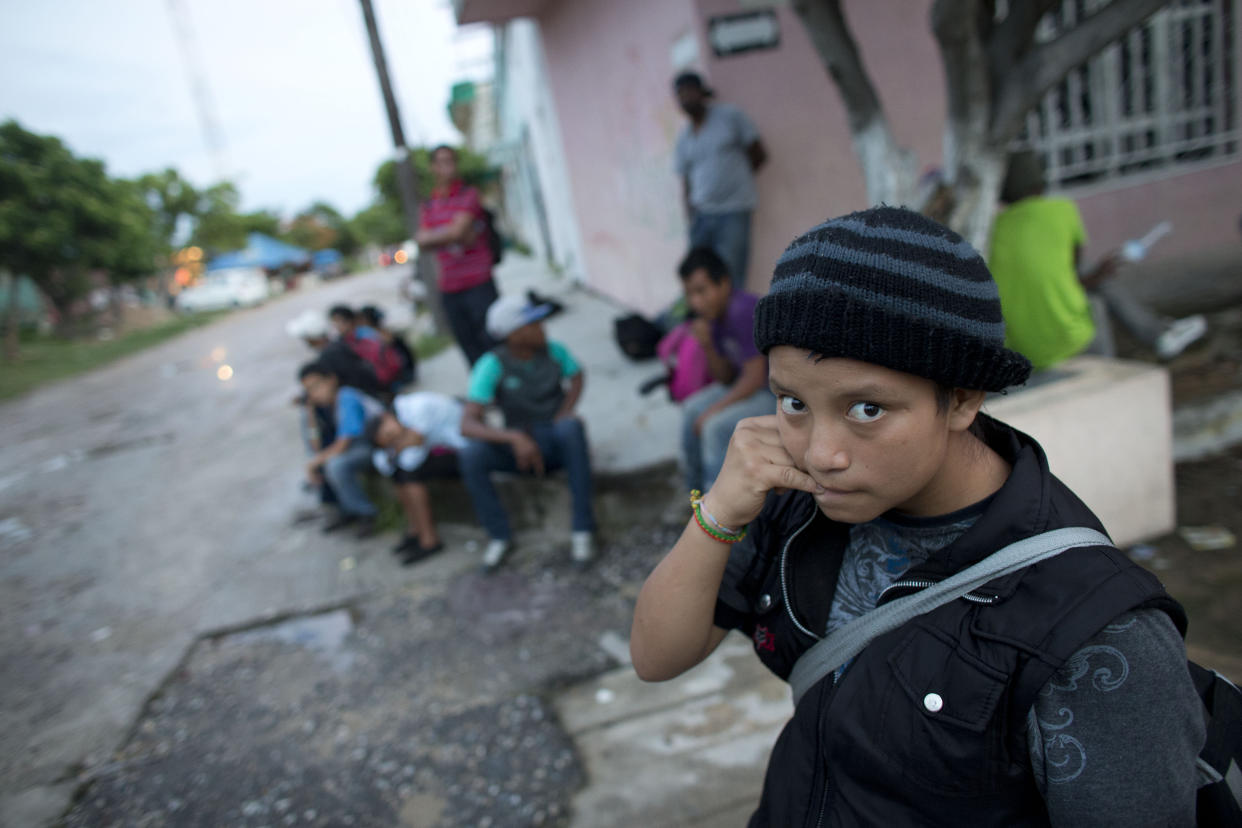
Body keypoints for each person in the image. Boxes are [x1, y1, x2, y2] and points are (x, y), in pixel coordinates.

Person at [630, 207, 1204, 826]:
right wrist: (718, 512)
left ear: (959, 398)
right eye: (793, 401)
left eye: (868, 409)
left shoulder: (1095, 633)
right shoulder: (791, 501)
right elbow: (657, 657)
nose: (822, 453)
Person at [990, 150, 1206, 371]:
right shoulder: (1062, 210)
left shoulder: (992, 231)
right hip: (1069, 337)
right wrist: (1100, 274)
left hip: (1022, 348)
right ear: (1040, 182)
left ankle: (1159, 334)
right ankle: (1157, 336)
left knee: (1089, 278)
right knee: (1096, 291)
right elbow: (1075, 275)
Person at [458, 295, 597, 571]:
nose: (542, 327)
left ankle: (583, 530)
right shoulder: (491, 364)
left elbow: (578, 375)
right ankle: (499, 535)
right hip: (520, 442)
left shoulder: (555, 351)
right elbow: (467, 424)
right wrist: (514, 437)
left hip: (555, 439)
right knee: (471, 455)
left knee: (572, 428)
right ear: (514, 334)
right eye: (533, 323)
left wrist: (565, 411)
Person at [676, 247, 772, 493]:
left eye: (701, 291)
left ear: (724, 283)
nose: (695, 301)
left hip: (774, 393)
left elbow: (755, 377)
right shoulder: (714, 317)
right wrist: (707, 345)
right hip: (748, 384)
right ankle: (694, 496)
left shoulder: (742, 310)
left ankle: (718, 511)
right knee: (690, 410)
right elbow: (726, 376)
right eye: (689, 294)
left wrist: (713, 410)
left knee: (714, 427)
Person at [673, 71, 767, 289]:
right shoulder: (684, 136)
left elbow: (759, 154)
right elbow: (686, 181)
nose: (686, 98)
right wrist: (690, 214)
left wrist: (734, 180)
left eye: (689, 91)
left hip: (733, 211)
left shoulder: (729, 117)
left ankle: (732, 322)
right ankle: (705, 323)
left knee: (730, 276)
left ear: (702, 92)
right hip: (702, 216)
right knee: (698, 275)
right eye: (680, 94)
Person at [416, 144, 499, 366]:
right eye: (442, 162)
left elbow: (457, 232)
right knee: (468, 345)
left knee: (493, 340)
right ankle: (484, 394)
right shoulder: (429, 204)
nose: (448, 167)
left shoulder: (469, 195)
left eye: (451, 161)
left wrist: (439, 234)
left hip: (478, 282)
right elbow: (422, 240)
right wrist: (449, 233)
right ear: (433, 167)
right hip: (450, 287)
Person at [365, 391, 466, 565]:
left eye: (389, 435)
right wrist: (401, 444)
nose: (394, 439)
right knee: (398, 474)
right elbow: (388, 464)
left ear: (386, 417)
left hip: (463, 447)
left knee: (409, 474)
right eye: (388, 441)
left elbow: (412, 457)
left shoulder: (417, 408)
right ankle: (416, 530)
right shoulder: (400, 418)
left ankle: (429, 539)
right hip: (441, 449)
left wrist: (395, 448)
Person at [300, 360, 385, 536]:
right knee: (323, 460)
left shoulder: (347, 397)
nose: (315, 393)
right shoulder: (325, 407)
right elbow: (315, 446)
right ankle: (345, 509)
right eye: (309, 390)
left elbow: (343, 444)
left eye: (316, 386)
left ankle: (365, 513)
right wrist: (309, 412)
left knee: (336, 465)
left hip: (377, 444)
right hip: (357, 447)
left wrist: (314, 464)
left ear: (331, 379)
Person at [328, 305, 405, 389]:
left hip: (385, 379)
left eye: (339, 321)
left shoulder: (365, 334)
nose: (337, 326)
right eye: (334, 322)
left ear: (349, 320)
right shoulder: (343, 341)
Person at [360, 305, 418, 388]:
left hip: (404, 375)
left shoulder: (378, 336)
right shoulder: (385, 332)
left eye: (361, 320)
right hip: (408, 372)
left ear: (366, 320)